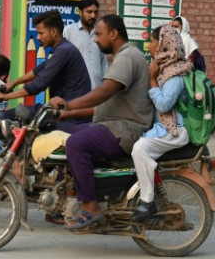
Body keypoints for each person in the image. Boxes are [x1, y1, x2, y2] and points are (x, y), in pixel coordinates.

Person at [50, 14, 153, 230]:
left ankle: (90, 206)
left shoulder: (127, 57)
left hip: (125, 130)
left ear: (113, 34)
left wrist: (69, 105)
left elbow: (104, 92)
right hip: (113, 124)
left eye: (98, 34)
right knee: (68, 136)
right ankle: (76, 193)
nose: (95, 40)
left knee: (76, 144)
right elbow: (104, 105)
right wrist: (67, 114)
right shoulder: (121, 57)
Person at [0, 10, 91, 132]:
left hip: (69, 118)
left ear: (53, 32)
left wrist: (5, 96)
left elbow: (39, 84)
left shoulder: (64, 51)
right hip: (60, 112)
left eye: (41, 33)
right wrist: (12, 84)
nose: (38, 37)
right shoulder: (62, 49)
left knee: (14, 120)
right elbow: (37, 70)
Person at [130, 25, 193, 221]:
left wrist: (152, 81)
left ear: (164, 45)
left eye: (153, 40)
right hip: (164, 127)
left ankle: (147, 201)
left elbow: (165, 104)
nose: (149, 45)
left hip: (174, 129)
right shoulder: (164, 68)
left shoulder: (175, 72)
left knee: (139, 149)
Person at [63, 0, 108, 88]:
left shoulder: (100, 33)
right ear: (80, 12)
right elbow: (62, 60)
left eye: (95, 12)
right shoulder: (69, 31)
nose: (93, 16)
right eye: (89, 12)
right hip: (75, 90)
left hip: (96, 91)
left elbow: (104, 63)